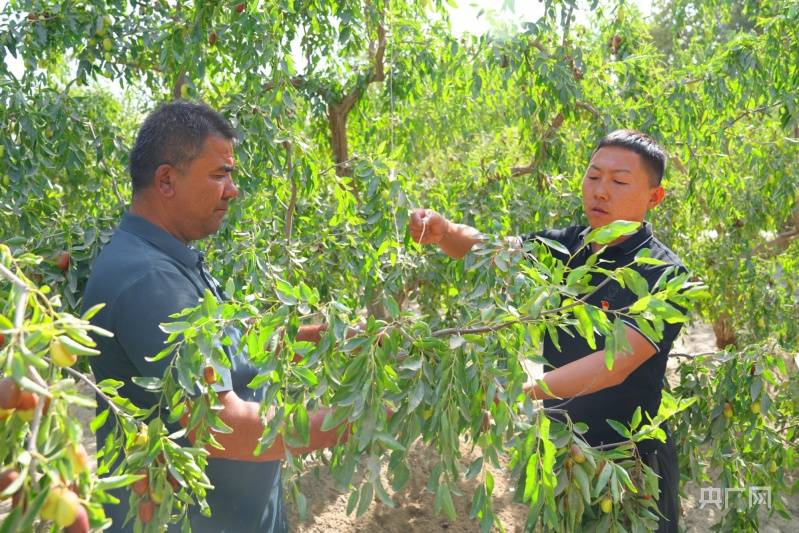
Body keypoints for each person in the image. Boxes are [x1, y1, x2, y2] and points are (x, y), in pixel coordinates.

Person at [82, 101, 342, 532]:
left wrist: (323, 338)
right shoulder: (147, 279)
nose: (233, 190)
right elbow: (222, 426)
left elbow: (232, 357)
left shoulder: (173, 260)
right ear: (166, 180)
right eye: (220, 174)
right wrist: (349, 420)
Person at [409, 130, 685, 532]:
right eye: (593, 177)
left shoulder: (665, 274)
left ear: (653, 198)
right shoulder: (565, 247)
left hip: (629, 468)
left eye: (620, 181)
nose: (601, 191)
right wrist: (446, 231)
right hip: (563, 457)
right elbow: (491, 251)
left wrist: (521, 396)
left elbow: (617, 363)